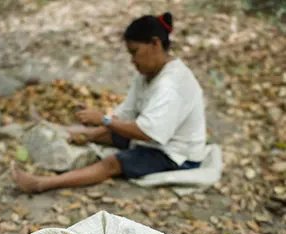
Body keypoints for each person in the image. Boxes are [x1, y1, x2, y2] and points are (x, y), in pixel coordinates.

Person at [12, 12, 206, 193]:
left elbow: (147, 133)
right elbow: (126, 114)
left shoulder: (171, 85)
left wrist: (104, 120)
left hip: (178, 155)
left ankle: (41, 183)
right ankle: (61, 133)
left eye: (135, 52)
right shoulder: (147, 75)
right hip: (155, 139)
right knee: (106, 132)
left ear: (155, 44)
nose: (133, 60)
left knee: (112, 163)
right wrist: (99, 125)